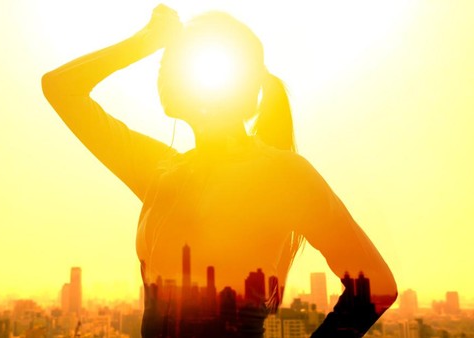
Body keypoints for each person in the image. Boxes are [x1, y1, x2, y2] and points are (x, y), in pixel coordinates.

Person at [42, 5, 397, 338]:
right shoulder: (161, 169)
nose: (161, 66)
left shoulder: (280, 174)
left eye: (174, 57)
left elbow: (376, 286)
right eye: (165, 57)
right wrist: (145, 41)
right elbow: (61, 89)